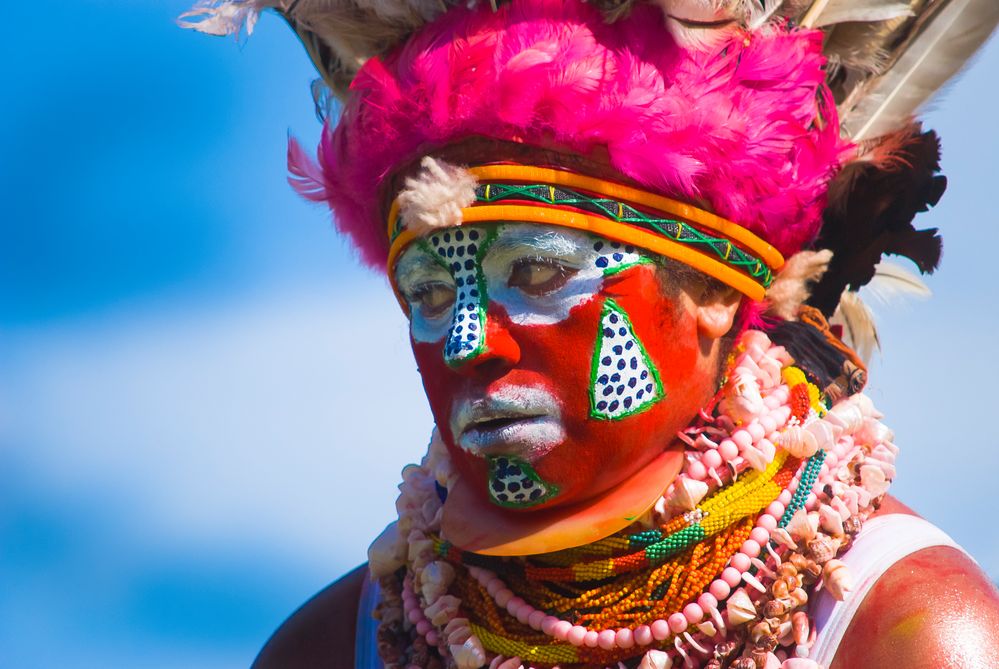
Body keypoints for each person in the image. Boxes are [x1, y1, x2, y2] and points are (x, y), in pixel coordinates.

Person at [182, 1, 999, 667]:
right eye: (428, 292)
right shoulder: (333, 649)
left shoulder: (893, 629)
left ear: (713, 291)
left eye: (535, 274)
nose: (469, 342)